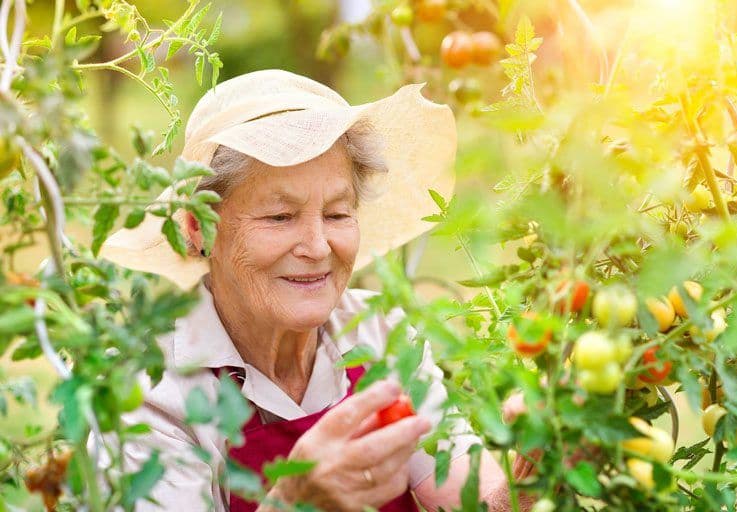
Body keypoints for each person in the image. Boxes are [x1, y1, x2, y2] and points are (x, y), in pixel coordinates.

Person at [101, 69, 533, 512]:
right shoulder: (151, 389)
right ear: (199, 227)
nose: (318, 246)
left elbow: (474, 504)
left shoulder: (381, 334)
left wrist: (540, 469)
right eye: (280, 217)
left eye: (338, 213)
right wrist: (291, 502)